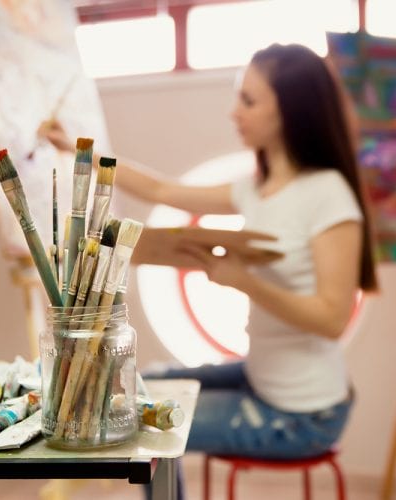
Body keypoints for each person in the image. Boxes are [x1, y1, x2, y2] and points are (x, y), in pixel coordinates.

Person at [42, 42, 378, 494]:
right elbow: (163, 190)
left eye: (249, 100)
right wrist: (81, 153)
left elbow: (334, 320)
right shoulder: (258, 188)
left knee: (147, 423)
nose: (234, 112)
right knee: (142, 385)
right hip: (264, 377)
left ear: (292, 110)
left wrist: (243, 282)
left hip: (304, 415)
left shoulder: (328, 194)